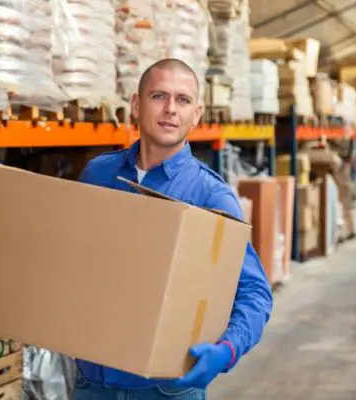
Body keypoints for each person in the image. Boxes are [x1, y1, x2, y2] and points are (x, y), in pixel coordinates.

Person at [75, 58, 274, 399]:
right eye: (158, 96)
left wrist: (227, 349)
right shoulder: (98, 175)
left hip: (165, 389)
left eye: (182, 100)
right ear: (136, 105)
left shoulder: (210, 196)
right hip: (93, 386)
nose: (170, 109)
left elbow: (254, 291)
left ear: (196, 115)